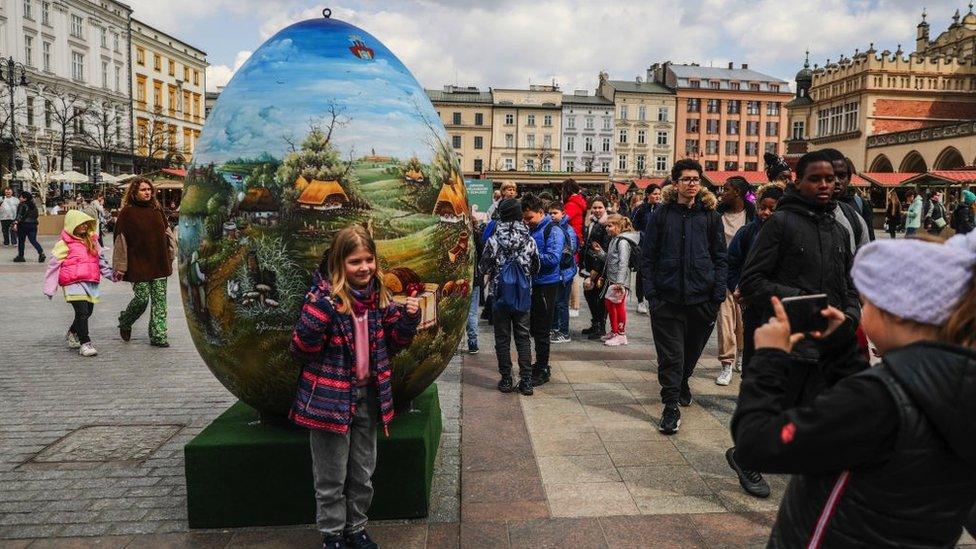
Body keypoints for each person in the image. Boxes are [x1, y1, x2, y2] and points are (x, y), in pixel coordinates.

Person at [732, 229, 976, 547]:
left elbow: (756, 443)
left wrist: (769, 358)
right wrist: (839, 348)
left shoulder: (878, 400)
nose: (862, 312)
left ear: (895, 310)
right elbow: (876, 424)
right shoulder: (954, 385)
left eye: (868, 302)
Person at [735, 150, 863, 499]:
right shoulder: (781, 222)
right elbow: (752, 281)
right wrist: (803, 301)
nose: (826, 184)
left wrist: (851, 315)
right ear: (799, 181)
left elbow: (849, 283)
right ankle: (746, 458)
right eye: (815, 178)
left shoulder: (837, 229)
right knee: (776, 411)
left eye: (830, 179)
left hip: (827, 341)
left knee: (815, 416)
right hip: (788, 339)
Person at [289, 224, 421, 549]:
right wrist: (318, 315)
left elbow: (394, 343)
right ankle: (332, 534)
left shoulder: (379, 299)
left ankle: (356, 528)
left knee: (362, 472)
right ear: (339, 264)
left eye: (368, 260)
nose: (364, 268)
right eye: (355, 262)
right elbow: (301, 349)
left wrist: (407, 321)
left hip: (368, 398)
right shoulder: (324, 299)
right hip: (330, 400)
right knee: (331, 475)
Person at [640, 159, 726, 435]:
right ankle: (670, 406)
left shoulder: (710, 216)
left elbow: (720, 257)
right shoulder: (662, 215)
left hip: (702, 299)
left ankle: (684, 380)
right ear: (675, 183)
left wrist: (717, 294)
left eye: (696, 179)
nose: (692, 184)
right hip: (667, 299)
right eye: (686, 179)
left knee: (691, 353)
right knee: (671, 356)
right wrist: (652, 294)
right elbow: (648, 256)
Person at [480, 198, 539, 394]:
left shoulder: (494, 240)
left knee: (502, 338)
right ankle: (527, 381)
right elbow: (536, 266)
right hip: (523, 295)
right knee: (523, 337)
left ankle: (506, 379)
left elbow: (483, 267)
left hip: (500, 295)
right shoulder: (529, 240)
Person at [42, 210, 116, 357]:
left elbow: (101, 262)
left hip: (90, 282)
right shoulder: (63, 244)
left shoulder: (92, 241)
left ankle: (73, 332)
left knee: (88, 311)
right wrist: (50, 288)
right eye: (80, 223)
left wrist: (113, 276)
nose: (83, 226)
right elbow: (53, 265)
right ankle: (85, 343)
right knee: (81, 312)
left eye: (85, 223)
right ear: (71, 225)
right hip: (72, 282)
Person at [727, 183, 785, 371]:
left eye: (771, 209)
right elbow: (732, 263)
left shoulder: (789, 234)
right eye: (762, 208)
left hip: (781, 306)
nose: (765, 213)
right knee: (753, 356)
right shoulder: (747, 232)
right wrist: (737, 286)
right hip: (753, 304)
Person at [113, 178, 175, 347]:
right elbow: (120, 241)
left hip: (160, 262)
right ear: (134, 192)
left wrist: (171, 252)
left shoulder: (157, 209)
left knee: (160, 302)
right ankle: (126, 320)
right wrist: (120, 266)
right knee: (141, 299)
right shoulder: (127, 213)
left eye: (149, 189)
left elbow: (167, 232)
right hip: (137, 264)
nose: (147, 192)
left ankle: (158, 336)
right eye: (143, 190)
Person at [715, 176, 757, 386]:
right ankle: (726, 363)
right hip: (722, 275)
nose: (722, 192)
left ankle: (741, 354)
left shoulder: (753, 215)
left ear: (738, 193)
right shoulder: (716, 215)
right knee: (724, 321)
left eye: (727, 189)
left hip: (746, 276)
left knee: (742, 322)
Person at [522, 193, 565, 389]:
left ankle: (542, 368)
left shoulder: (553, 230)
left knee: (542, 330)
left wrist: (529, 258)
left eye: (529, 217)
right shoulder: (532, 229)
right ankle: (539, 364)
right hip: (533, 284)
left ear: (540, 213)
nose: (526, 221)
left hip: (547, 284)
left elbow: (553, 258)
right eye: (524, 218)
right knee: (535, 327)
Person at [598, 214, 640, 346]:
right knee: (610, 305)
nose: (607, 229)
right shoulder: (614, 240)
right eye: (606, 226)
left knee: (618, 306)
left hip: (619, 281)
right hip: (613, 280)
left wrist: (620, 283)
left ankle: (621, 334)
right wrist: (600, 253)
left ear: (619, 226)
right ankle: (614, 331)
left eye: (610, 226)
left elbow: (623, 262)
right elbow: (611, 260)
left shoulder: (622, 241)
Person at [823, 150, 875, 242]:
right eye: (831, 176)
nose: (837, 181)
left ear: (849, 179)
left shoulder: (860, 204)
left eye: (842, 176)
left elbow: (869, 244)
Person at [629, 184, 663, 315]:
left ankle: (654, 299)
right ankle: (640, 301)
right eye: (655, 194)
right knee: (642, 273)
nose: (657, 196)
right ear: (648, 195)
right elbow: (632, 225)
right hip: (642, 246)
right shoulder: (640, 209)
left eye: (659, 194)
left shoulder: (662, 209)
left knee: (657, 273)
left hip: (659, 247)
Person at [580, 196, 611, 340]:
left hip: (600, 267)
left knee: (599, 297)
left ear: (605, 208)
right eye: (595, 207)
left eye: (600, 207)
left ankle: (601, 327)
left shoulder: (607, 224)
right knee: (589, 294)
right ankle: (595, 323)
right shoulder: (592, 221)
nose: (597, 210)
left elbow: (603, 249)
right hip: (590, 265)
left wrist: (595, 272)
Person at [547, 202, 577, 344]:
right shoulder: (552, 227)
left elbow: (570, 251)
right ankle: (554, 327)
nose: (552, 215)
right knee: (554, 302)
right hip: (557, 272)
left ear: (563, 213)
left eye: (555, 213)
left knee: (562, 303)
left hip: (565, 272)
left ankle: (564, 332)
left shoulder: (567, 229)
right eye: (550, 213)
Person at [562, 179, 587, 319]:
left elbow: (563, 219)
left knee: (572, 274)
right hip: (576, 238)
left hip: (571, 241)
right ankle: (574, 304)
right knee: (573, 272)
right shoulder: (578, 201)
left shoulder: (571, 204)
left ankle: (574, 305)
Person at [466, 221, 486, 354]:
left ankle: (449, 346)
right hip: (473, 279)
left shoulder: (453, 234)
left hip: (457, 282)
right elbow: (483, 254)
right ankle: (473, 343)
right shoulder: (476, 235)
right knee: (472, 312)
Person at [12, 191, 45, 263]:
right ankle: (41, 253)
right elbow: (36, 216)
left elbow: (19, 215)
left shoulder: (21, 205)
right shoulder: (33, 206)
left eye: (21, 197)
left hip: (23, 225)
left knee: (21, 241)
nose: (19, 198)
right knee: (33, 240)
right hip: (33, 225)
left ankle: (21, 257)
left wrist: (15, 223)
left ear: (25, 198)